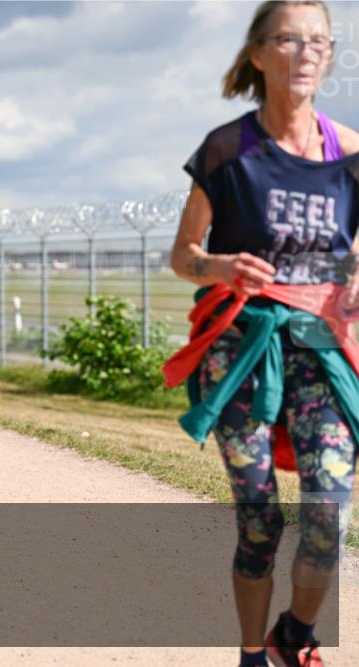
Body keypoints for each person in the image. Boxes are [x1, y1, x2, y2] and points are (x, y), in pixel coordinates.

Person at [167, 3, 359, 665]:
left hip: (324, 352)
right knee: (260, 520)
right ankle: (252, 652)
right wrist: (216, 263)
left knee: (330, 511)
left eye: (319, 42)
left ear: (329, 56)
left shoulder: (351, 152)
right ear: (259, 53)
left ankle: (293, 636)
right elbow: (183, 254)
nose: (306, 52)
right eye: (289, 39)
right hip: (242, 349)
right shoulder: (227, 150)